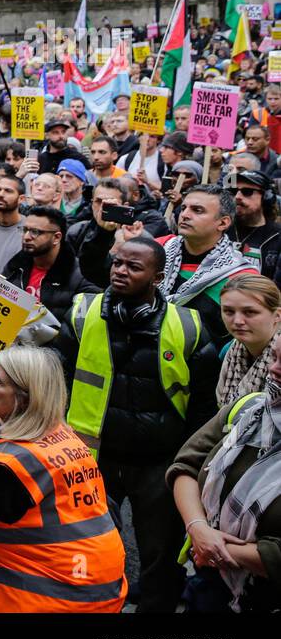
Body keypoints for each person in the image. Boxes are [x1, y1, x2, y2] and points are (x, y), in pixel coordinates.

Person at [51, 235, 218, 611]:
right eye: (117, 263)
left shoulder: (188, 327)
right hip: (93, 456)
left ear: (158, 277)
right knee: (85, 546)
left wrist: (187, 465)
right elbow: (56, 376)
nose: (120, 272)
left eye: (133, 267)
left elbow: (204, 405)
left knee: (160, 555)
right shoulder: (82, 313)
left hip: (159, 462)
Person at [0, 347, 128, 613]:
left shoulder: (13, 467)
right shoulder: (66, 438)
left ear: (24, 398)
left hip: (48, 598)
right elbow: (108, 512)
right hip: (95, 590)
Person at [169, 335, 281, 612]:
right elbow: (185, 465)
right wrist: (198, 528)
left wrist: (214, 550)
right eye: (275, 358)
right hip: (211, 584)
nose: (274, 369)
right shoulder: (251, 408)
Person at [150, 184, 257, 351]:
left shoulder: (241, 276)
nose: (184, 215)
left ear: (223, 223)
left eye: (197, 210)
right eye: (184, 207)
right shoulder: (156, 249)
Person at [2, 205, 97, 327]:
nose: (26, 237)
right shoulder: (14, 267)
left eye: (35, 232)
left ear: (56, 238)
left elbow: (78, 328)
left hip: (49, 345)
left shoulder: (80, 276)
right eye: (25, 230)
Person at [215, 275, 281, 408]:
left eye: (250, 312)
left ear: (277, 315)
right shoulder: (228, 350)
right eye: (229, 311)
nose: (238, 321)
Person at [227, 169, 281, 277]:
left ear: (267, 197)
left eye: (247, 192)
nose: (237, 196)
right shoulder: (220, 228)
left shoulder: (277, 236)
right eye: (233, 191)